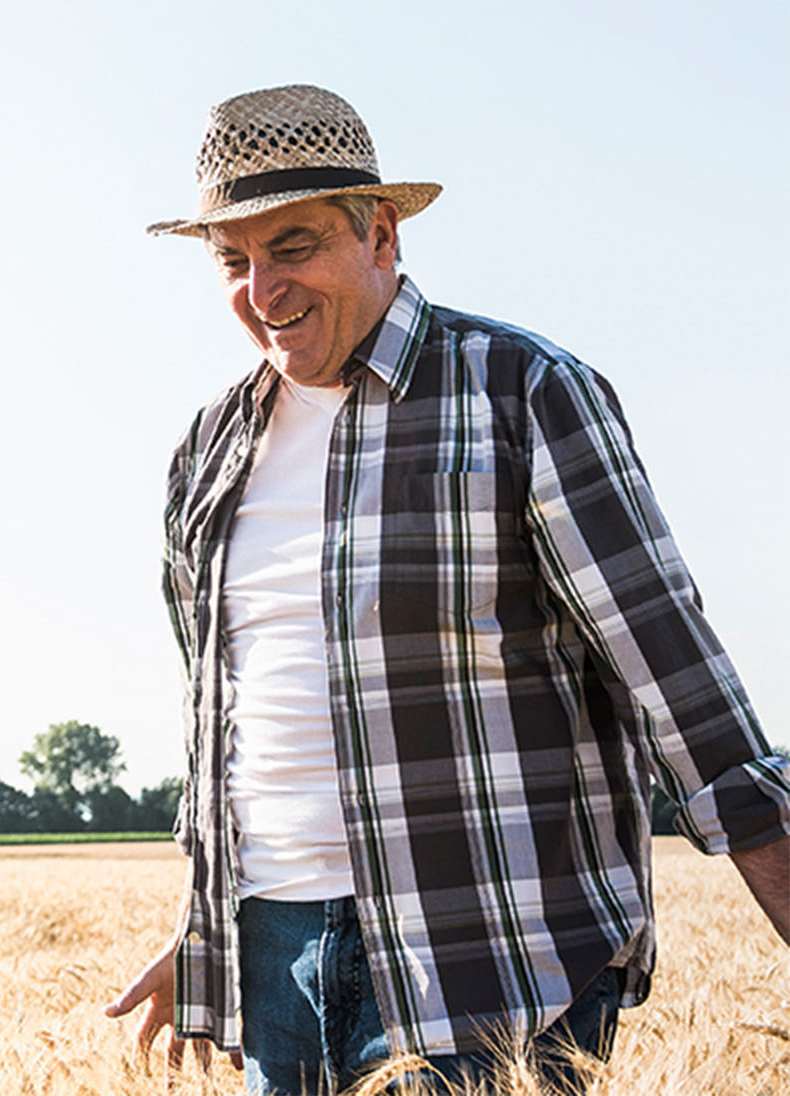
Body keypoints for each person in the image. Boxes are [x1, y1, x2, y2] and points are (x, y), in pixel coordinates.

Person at [102, 84, 790, 1094]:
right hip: (275, 961)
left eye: (291, 247)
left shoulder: (519, 391)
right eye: (232, 261)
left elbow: (669, 664)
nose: (262, 289)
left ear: (379, 234)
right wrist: (203, 928)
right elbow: (232, 718)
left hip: (486, 955)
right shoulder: (207, 449)